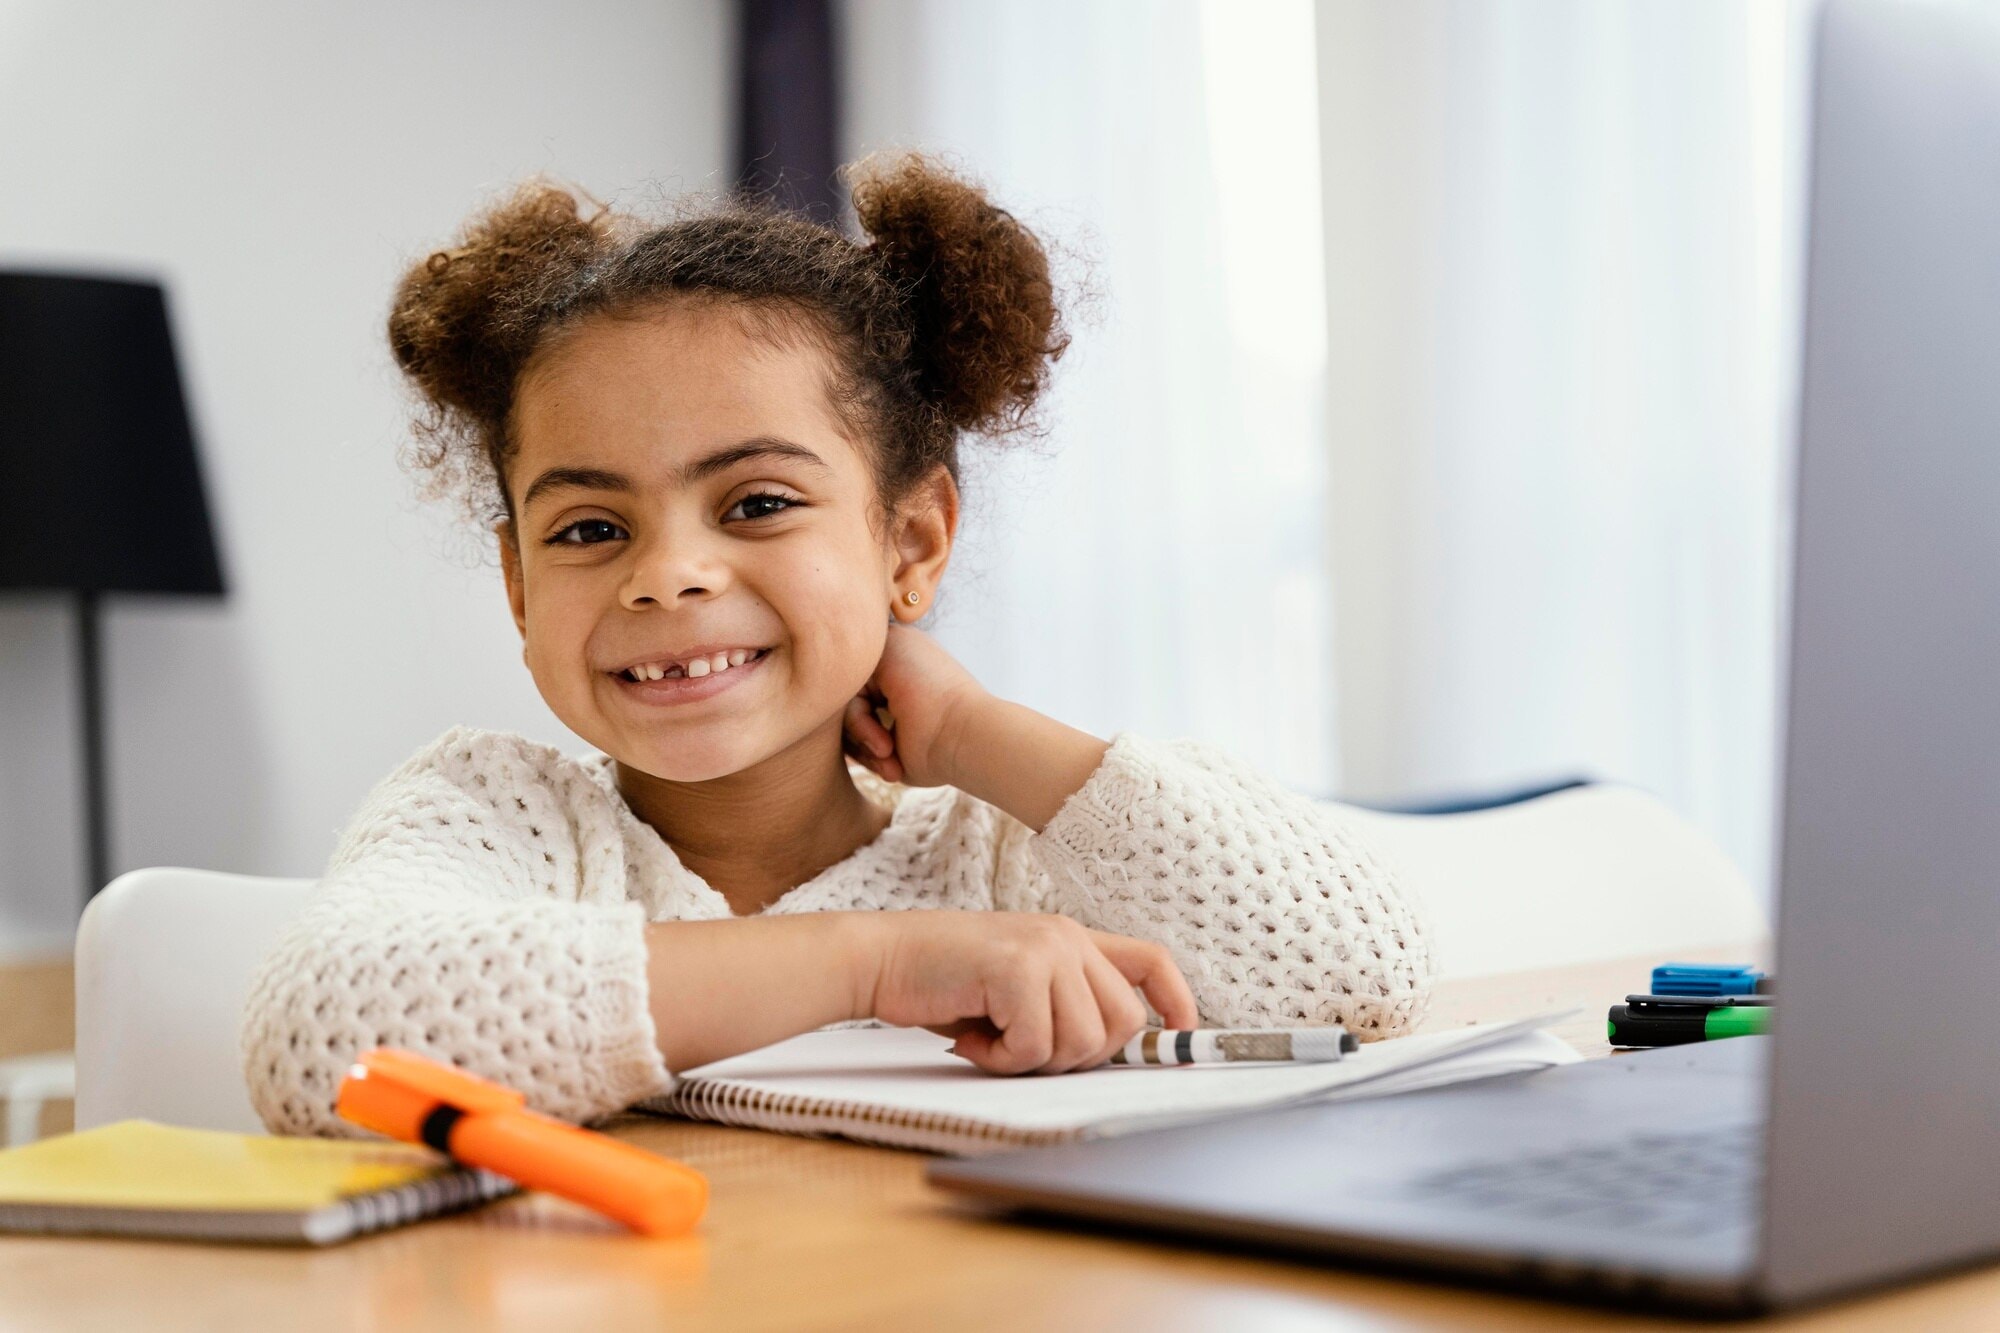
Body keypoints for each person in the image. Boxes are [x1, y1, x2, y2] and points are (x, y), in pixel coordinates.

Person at [239, 151, 1436, 1138]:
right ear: (515, 582)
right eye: (591, 527)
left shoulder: (998, 859)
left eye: (755, 503)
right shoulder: (500, 817)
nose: (667, 576)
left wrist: (973, 732)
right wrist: (873, 965)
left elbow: (1357, 976)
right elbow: (326, 1044)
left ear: (909, 542)